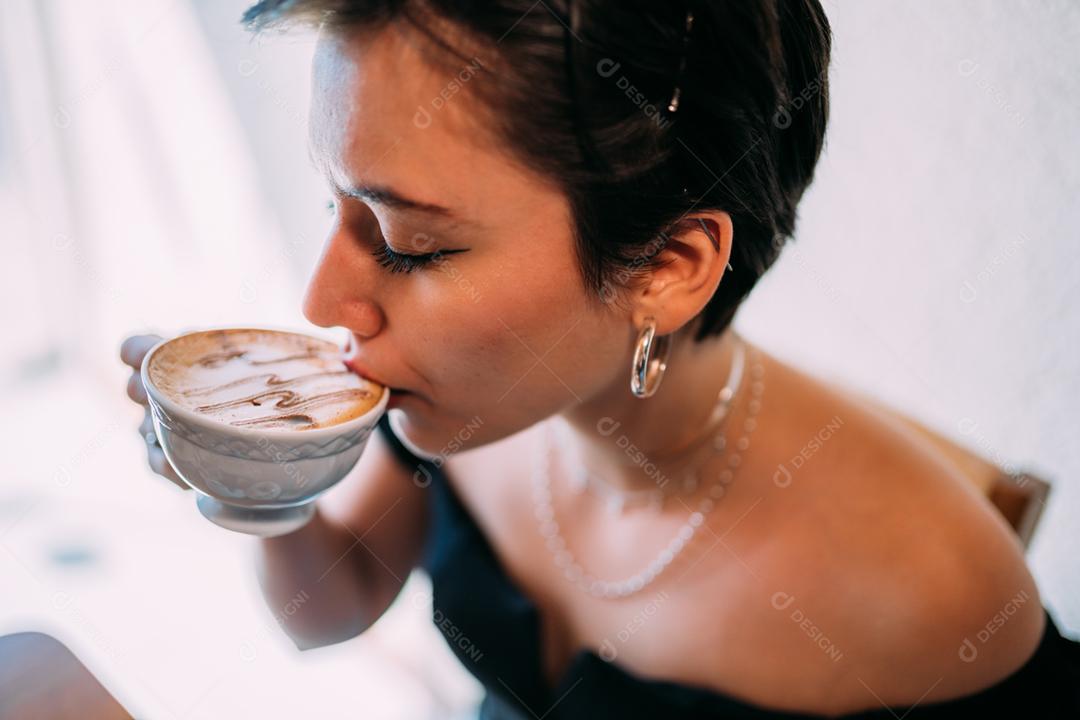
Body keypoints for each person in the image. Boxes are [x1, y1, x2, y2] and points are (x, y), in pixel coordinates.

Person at [120, 0, 1080, 716]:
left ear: (668, 265)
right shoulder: (453, 397)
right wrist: (262, 488)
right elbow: (330, 609)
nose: (323, 304)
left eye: (409, 241)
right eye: (337, 204)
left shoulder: (933, 602)